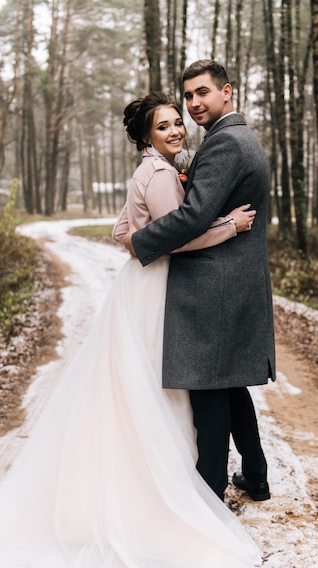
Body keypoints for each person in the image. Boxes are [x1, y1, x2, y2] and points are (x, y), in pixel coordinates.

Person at [0, 91, 272, 568]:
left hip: (142, 287)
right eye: (164, 127)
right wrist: (230, 226)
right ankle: (181, 492)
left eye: (176, 123)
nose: (177, 131)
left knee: (162, 388)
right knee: (167, 391)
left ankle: (222, 477)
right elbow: (176, 237)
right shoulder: (159, 175)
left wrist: (138, 238)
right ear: (146, 138)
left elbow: (122, 232)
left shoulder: (154, 171)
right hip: (159, 288)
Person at [123, 60, 276, 502]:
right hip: (230, 280)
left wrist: (140, 241)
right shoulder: (231, 139)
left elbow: (192, 216)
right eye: (188, 95)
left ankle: (209, 493)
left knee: (209, 393)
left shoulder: (226, 143)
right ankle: (256, 476)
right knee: (229, 385)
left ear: (226, 92)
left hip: (216, 285)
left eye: (202, 93)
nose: (193, 104)